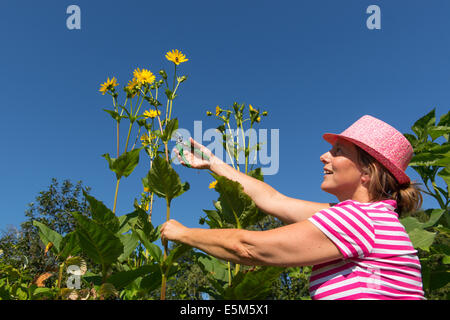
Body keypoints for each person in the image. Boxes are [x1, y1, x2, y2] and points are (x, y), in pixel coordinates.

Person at [161, 115, 425, 300]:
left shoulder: (358, 220)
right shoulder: (371, 217)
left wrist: (182, 234)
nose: (324, 156)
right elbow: (273, 201)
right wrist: (213, 163)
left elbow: (248, 248)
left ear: (367, 171)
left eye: (338, 151)